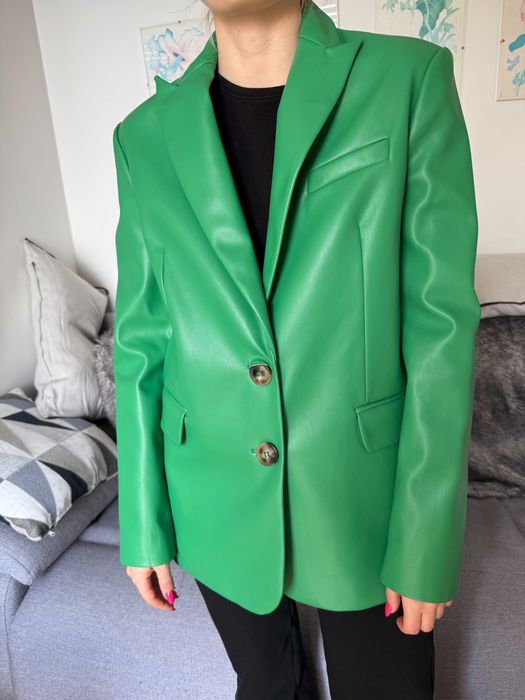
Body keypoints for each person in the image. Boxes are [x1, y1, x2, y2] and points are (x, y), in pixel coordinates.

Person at [111, 1, 480, 698]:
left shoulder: (407, 79)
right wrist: (142, 521)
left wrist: (425, 537)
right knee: (266, 682)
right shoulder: (142, 137)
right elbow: (141, 339)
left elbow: (440, 326)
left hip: (361, 497)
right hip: (211, 492)